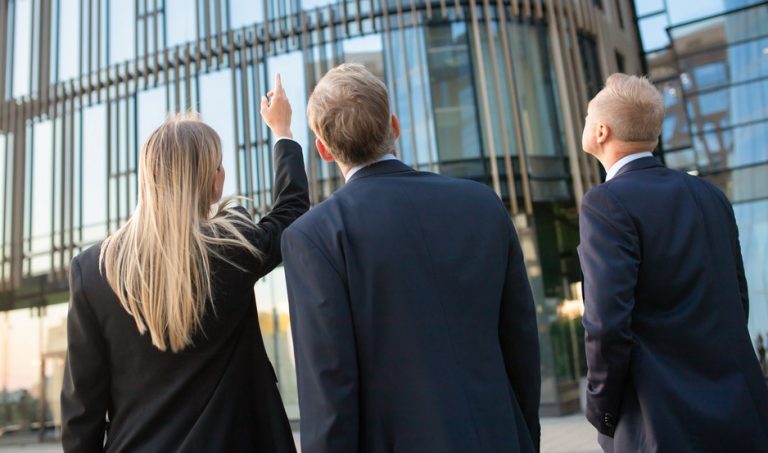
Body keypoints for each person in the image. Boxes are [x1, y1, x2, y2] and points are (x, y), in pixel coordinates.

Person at [281, 63, 540, 453]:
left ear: (323, 150)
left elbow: (328, 392)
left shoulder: (315, 236)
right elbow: (520, 343)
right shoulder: (482, 204)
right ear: (394, 126)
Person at [61, 75, 309, 452]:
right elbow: (291, 212)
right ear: (211, 182)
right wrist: (282, 130)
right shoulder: (233, 246)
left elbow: (82, 416)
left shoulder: (93, 271)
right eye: (219, 165)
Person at [578, 73, 768, 452]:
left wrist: (601, 411)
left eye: (586, 117)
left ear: (601, 131)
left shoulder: (605, 203)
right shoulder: (710, 195)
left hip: (661, 422)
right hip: (741, 411)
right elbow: (737, 299)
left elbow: (606, 324)